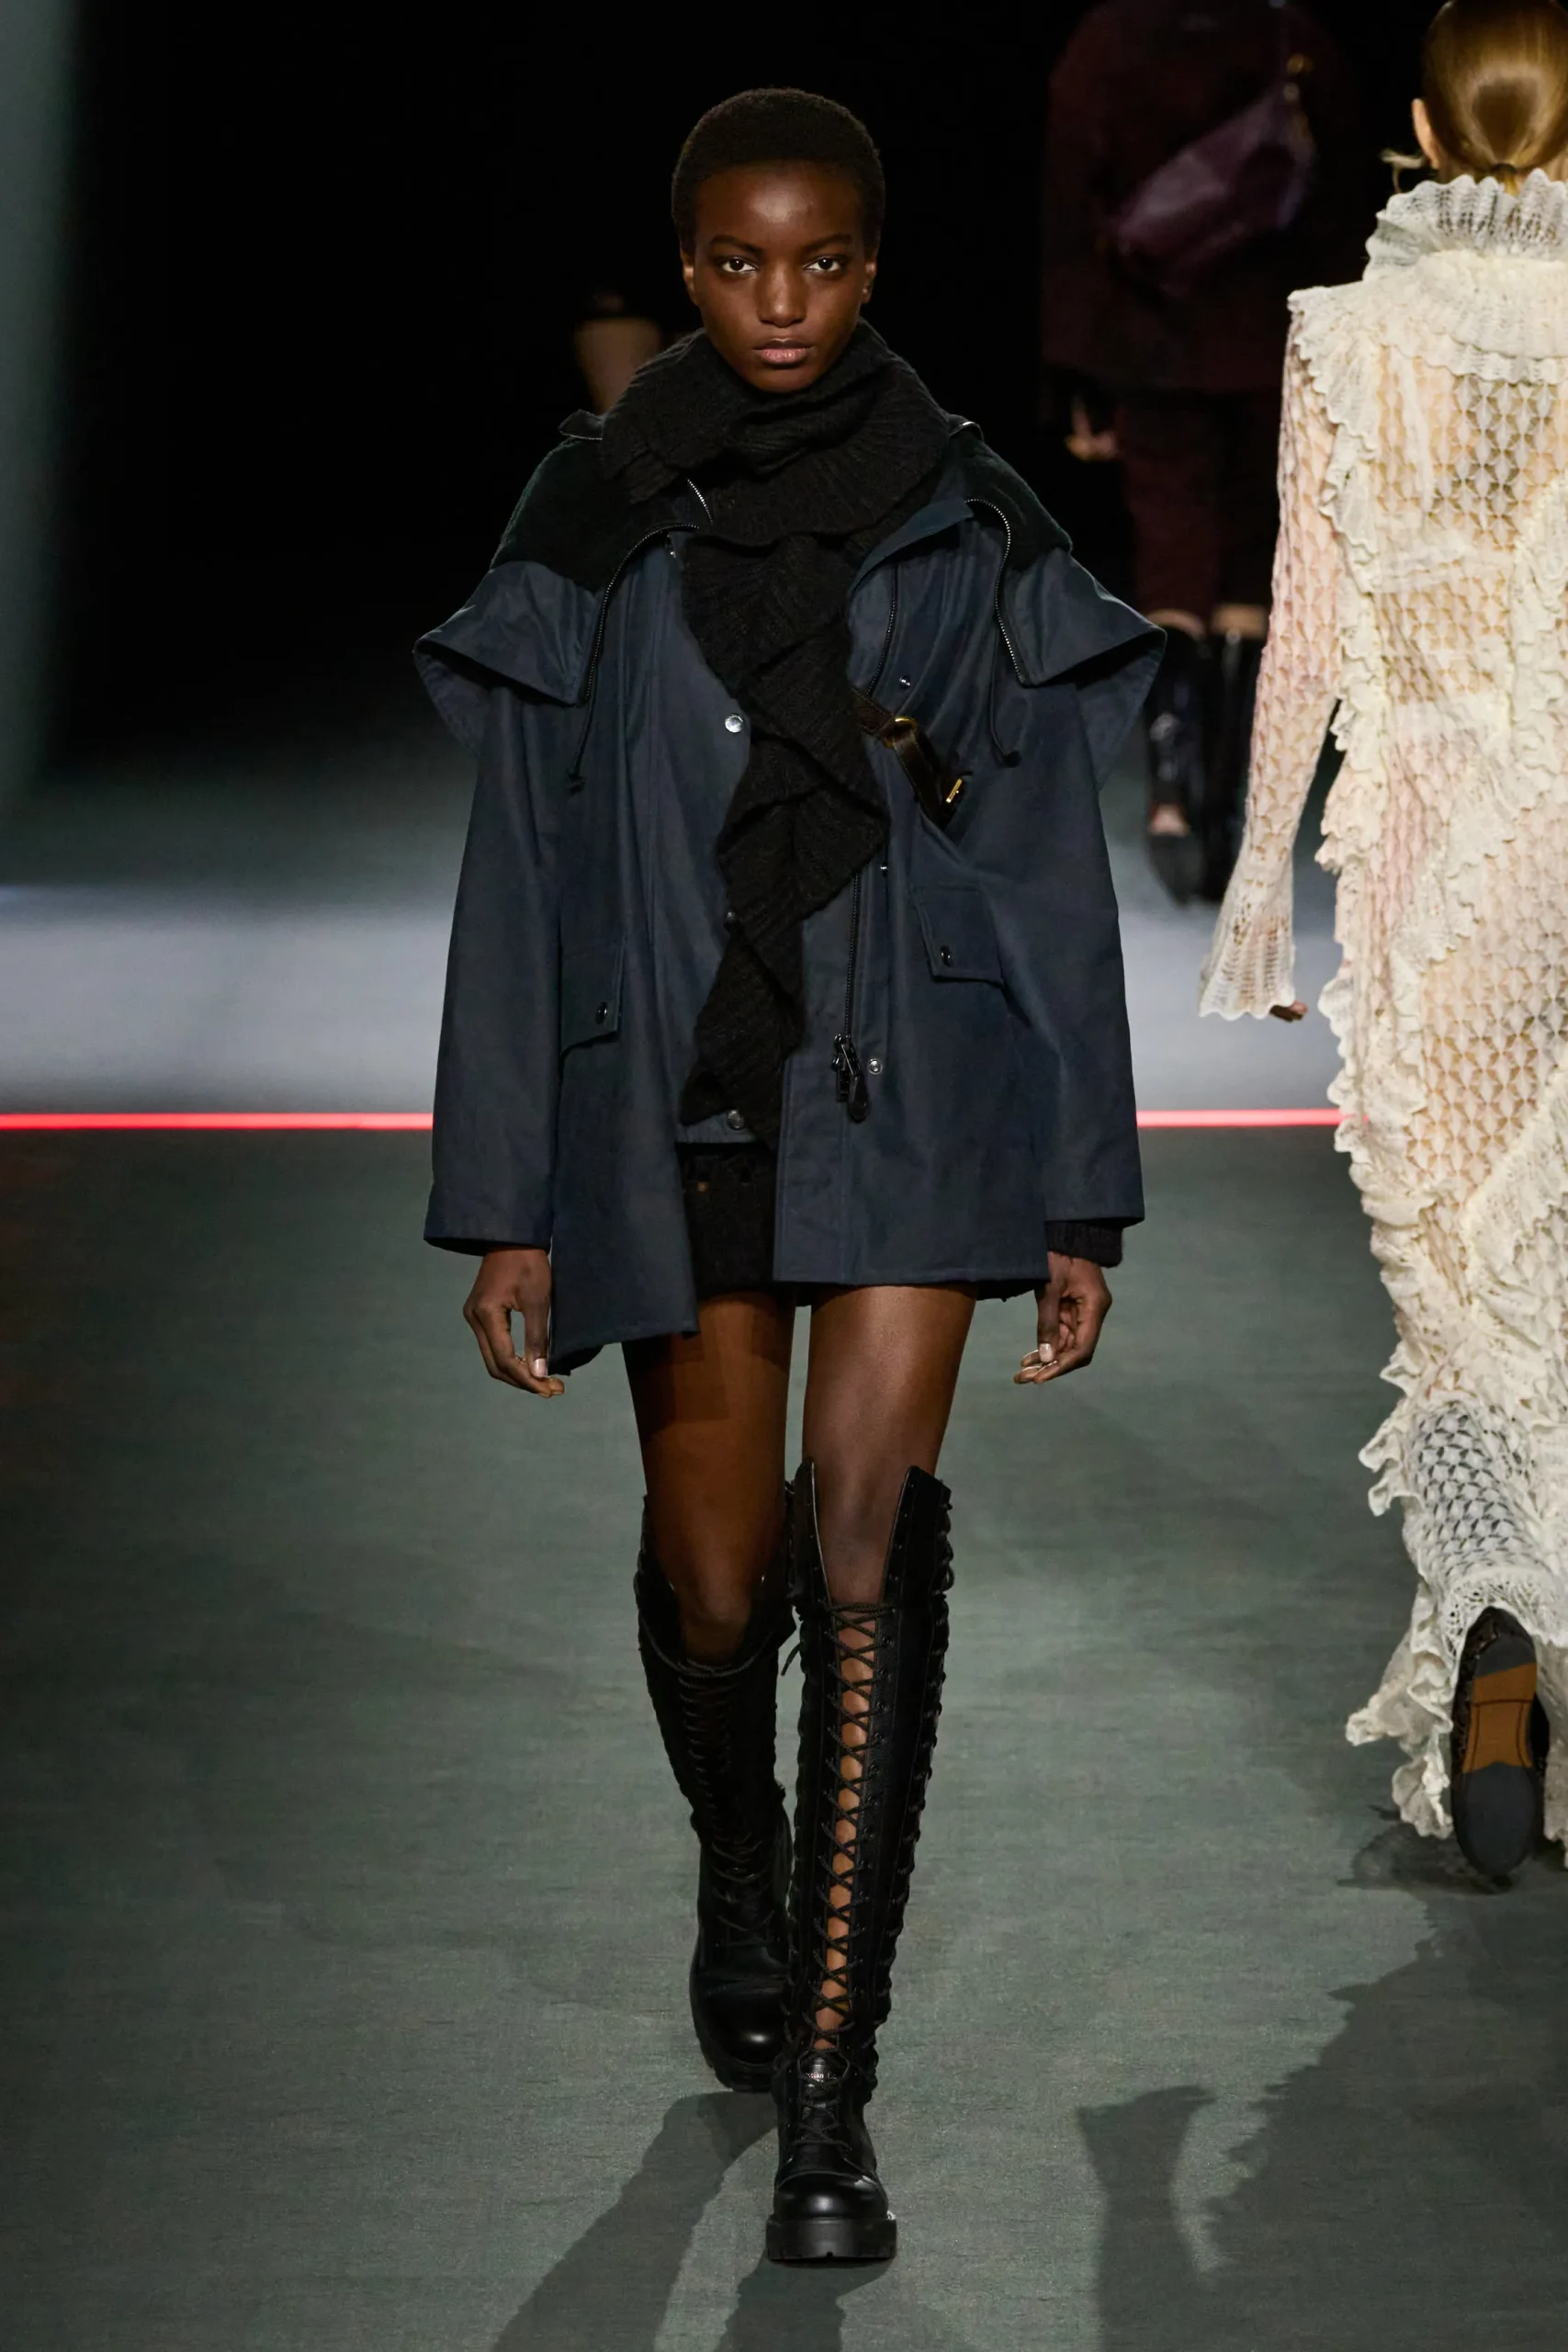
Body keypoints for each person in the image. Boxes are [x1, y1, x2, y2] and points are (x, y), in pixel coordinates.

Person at [415, 89, 1156, 2263]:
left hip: (915, 1071)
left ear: (869, 266)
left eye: (818, 262)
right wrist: (506, 1197)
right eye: (738, 263)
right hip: (676, 1088)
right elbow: (521, 870)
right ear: (685, 265)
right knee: (717, 1573)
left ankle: (833, 2097)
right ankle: (734, 1866)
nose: (778, 302)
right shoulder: (588, 512)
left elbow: (1044, 866)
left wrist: (1079, 1192)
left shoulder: (969, 508)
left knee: (862, 1545)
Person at [1201, 0, 1568, 1883]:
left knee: (1457, 1285)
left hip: (1438, 856)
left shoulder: (1345, 336)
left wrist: (1256, 877)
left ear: (1420, 129)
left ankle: (1498, 1637)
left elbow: (1314, 628)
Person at [1042, 0, 1366, 900]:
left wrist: (1073, 372)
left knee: (1171, 549)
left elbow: (1069, 210)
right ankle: (1233, 798)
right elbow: (1343, 201)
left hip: (1152, 340)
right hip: (1278, 336)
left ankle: (1174, 783)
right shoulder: (1292, 34)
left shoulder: (1109, 39)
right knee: (1252, 559)